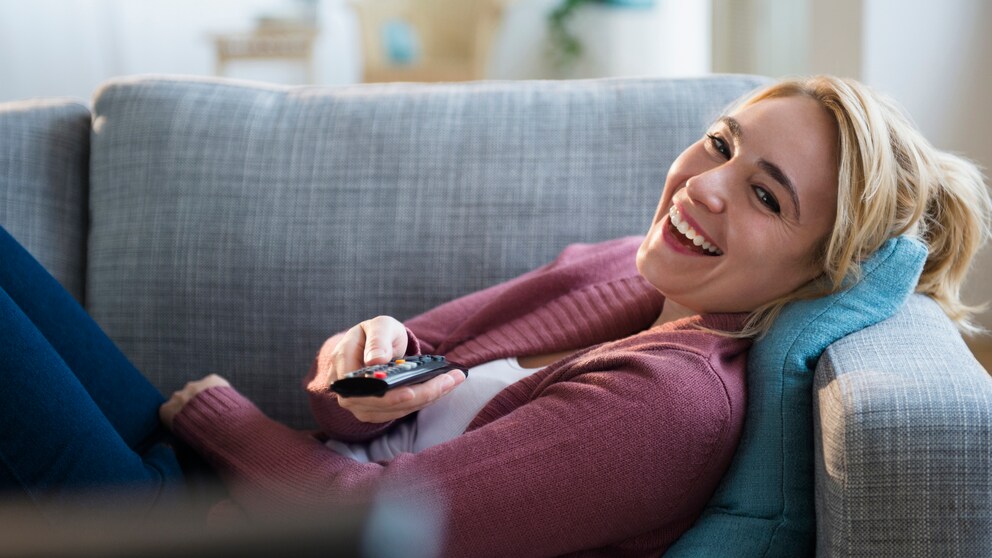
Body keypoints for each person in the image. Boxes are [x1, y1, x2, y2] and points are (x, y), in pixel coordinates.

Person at [2, 76, 990, 556]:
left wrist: (204, 407)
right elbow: (363, 404)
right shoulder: (632, 272)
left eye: (765, 195)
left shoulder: (669, 406)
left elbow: (378, 526)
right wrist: (362, 365)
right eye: (720, 142)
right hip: (228, 492)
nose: (705, 185)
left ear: (818, 271)